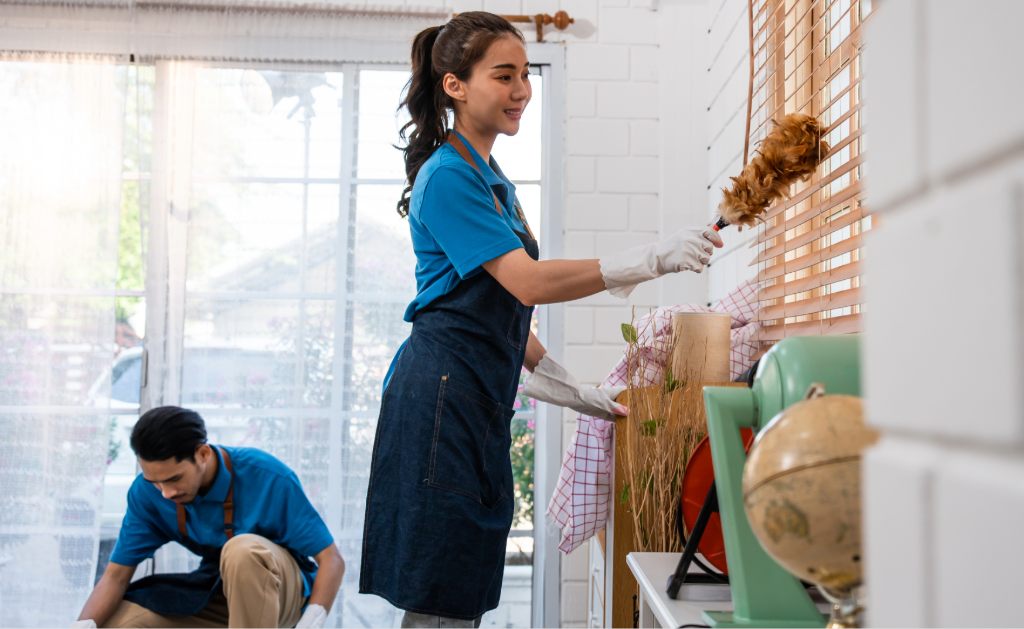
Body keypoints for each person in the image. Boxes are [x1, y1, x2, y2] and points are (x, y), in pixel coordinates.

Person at [359, 11, 723, 628]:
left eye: (525, 74)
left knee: (460, 583)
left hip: (470, 396)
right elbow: (528, 282)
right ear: (455, 85)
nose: (521, 89)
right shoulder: (448, 178)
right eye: (504, 75)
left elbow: (496, 312)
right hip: (442, 400)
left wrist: (569, 386)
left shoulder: (491, 179)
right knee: (443, 593)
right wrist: (649, 259)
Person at [73, 406, 345, 628]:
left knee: (242, 551)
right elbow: (115, 577)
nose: (166, 493)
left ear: (202, 454)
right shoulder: (147, 494)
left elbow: (331, 560)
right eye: (156, 482)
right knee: (117, 623)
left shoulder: (267, 476)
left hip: (281, 596)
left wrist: (311, 622)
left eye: (174, 479)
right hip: (214, 592)